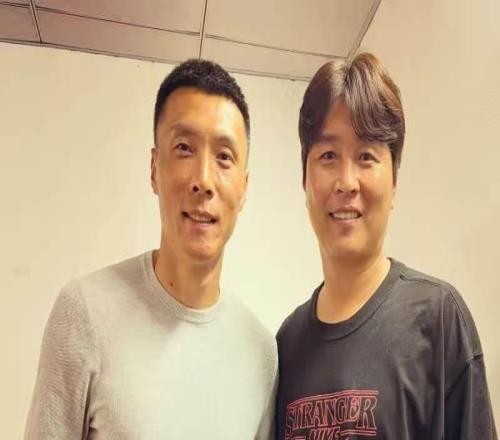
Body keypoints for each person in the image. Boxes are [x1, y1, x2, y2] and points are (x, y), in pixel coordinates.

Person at [25, 59, 277, 439]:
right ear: (155, 168)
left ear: (244, 188)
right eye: (184, 148)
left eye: (224, 157)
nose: (203, 180)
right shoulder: (85, 313)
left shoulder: (261, 353)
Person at [275, 53, 497, 439]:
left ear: (393, 182)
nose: (347, 182)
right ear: (305, 180)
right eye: (328, 156)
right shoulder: (286, 344)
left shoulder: (438, 319)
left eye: (366, 156)